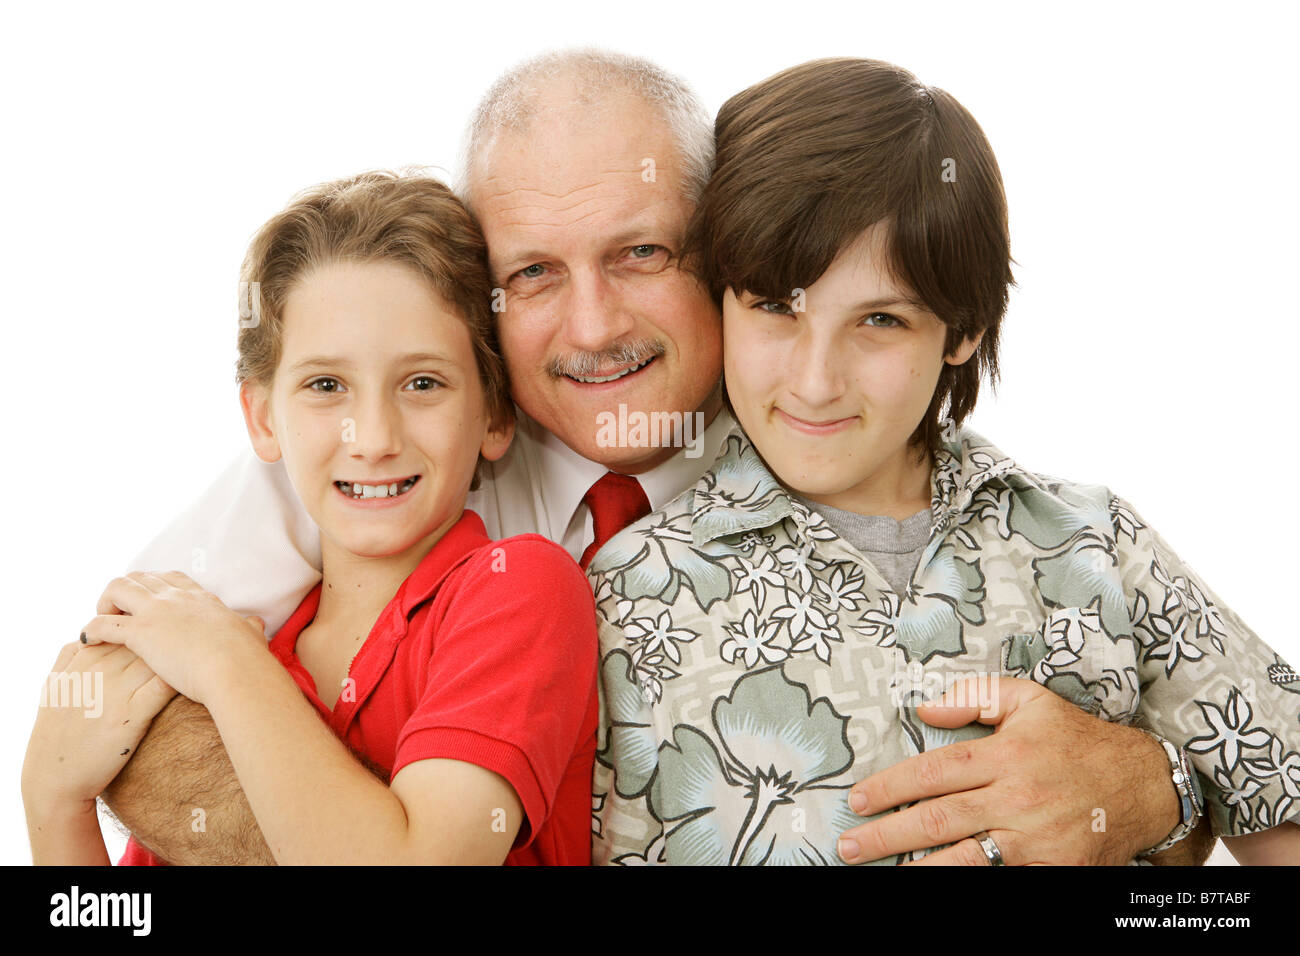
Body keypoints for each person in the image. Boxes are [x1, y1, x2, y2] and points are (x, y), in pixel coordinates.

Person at [94, 49, 1220, 866]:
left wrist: (1156, 785)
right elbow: (122, 711)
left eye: (639, 252)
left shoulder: (839, 437)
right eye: (532, 273)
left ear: (727, 245)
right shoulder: (397, 453)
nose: (591, 327)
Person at [588, 57, 1300, 866]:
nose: (815, 380)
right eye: (777, 308)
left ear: (961, 328)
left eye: (881, 320)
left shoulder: (1096, 546)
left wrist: (1165, 800)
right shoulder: (619, 601)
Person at [23, 171, 598, 865]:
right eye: (326, 386)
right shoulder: (254, 642)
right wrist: (51, 802)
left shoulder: (521, 589)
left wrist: (224, 663)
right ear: (264, 419)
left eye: (423, 383)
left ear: (495, 415)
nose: (374, 436)